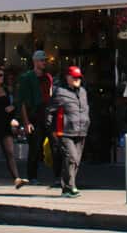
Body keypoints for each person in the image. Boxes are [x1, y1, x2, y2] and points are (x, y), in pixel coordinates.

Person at [46, 66, 90, 198]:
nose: (77, 80)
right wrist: (51, 129)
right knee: (71, 157)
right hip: (65, 131)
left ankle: (69, 187)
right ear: (67, 78)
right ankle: (68, 187)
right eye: (74, 77)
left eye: (79, 78)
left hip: (81, 130)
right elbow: (49, 111)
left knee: (75, 161)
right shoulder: (60, 92)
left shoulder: (83, 92)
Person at [17, 50, 57, 184]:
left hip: (48, 114)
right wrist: (26, 122)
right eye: (41, 60)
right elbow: (22, 101)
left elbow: (51, 94)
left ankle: (58, 177)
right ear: (35, 62)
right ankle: (32, 176)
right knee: (35, 148)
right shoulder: (27, 78)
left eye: (45, 60)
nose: (44, 62)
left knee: (55, 145)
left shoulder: (48, 77)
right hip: (34, 115)